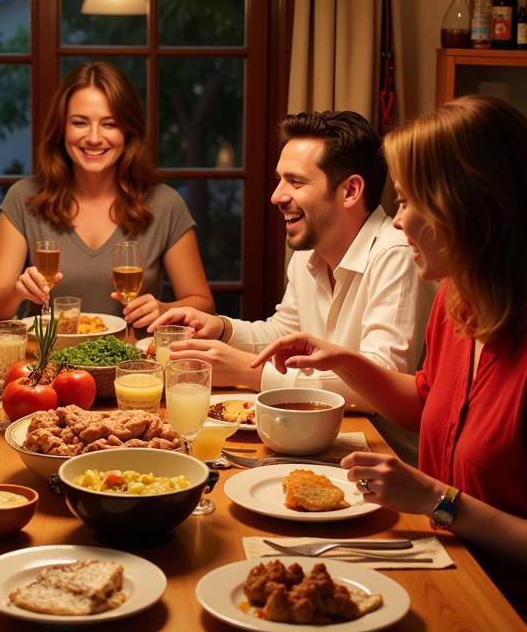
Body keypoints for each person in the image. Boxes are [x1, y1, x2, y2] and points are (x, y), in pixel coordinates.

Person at [255, 95, 527, 632]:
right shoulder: (460, 302)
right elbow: (427, 403)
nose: (400, 222)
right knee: (278, 622)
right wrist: (342, 359)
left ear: (473, 210)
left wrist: (438, 502)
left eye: (413, 201)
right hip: (450, 564)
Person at [152, 110, 433, 425]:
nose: (276, 196)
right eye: (280, 180)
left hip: (378, 448)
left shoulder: (396, 253)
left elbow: (381, 382)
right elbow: (284, 332)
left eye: (296, 182)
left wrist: (247, 371)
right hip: (313, 433)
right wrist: (222, 329)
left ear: (351, 191)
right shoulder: (311, 248)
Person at [0, 61, 215, 329]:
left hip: (133, 366)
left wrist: (164, 309)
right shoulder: (24, 197)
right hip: (50, 366)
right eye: (79, 122)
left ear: (128, 131)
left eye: (109, 124)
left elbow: (203, 304)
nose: (93, 137)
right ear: (61, 129)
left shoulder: (165, 204)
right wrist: (18, 292)